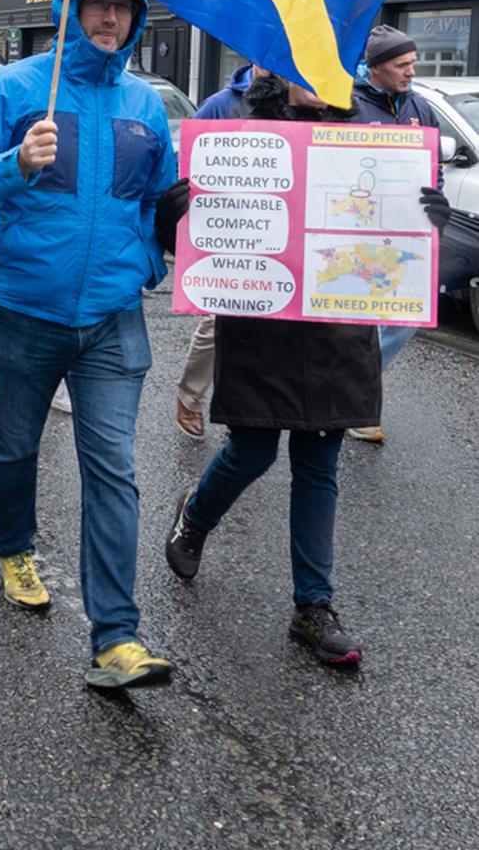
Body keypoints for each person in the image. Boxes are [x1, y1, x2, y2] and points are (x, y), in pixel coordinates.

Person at [159, 71, 452, 667]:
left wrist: (429, 215)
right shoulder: (243, 132)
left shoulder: (369, 138)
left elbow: (399, 233)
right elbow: (193, 235)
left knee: (319, 464)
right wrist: (175, 215)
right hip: (266, 321)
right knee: (253, 452)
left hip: (338, 330)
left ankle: (312, 609)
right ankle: (196, 516)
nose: (322, 78)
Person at [0, 0, 177, 690]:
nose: (110, 21)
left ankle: (116, 637)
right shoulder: (19, 89)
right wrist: (15, 163)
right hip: (23, 309)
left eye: (122, 11)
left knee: (114, 469)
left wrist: (148, 261)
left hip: (113, 318)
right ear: (70, 12)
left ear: (137, 21)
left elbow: (155, 202)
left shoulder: (146, 107)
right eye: (97, 9)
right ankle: (14, 548)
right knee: (15, 446)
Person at [347, 25, 444, 442]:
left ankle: (355, 392)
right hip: (352, 232)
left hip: (405, 236)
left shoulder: (421, 109)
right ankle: (353, 403)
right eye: (402, 64)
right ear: (376, 67)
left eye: (413, 63)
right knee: (352, 321)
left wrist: (436, 201)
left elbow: (433, 169)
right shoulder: (346, 105)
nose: (411, 71)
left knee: (403, 319)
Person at [173, 62, 270, 440]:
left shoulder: (303, 103)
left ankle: (246, 408)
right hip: (232, 233)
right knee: (220, 322)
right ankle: (191, 396)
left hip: (280, 233)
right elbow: (189, 163)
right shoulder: (220, 104)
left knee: (272, 325)